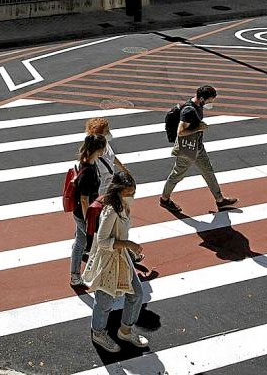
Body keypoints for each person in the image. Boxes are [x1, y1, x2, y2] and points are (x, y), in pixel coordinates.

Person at [83, 172, 148, 353]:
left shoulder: (123, 207)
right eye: (128, 193)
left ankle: (125, 330)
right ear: (118, 192)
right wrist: (128, 244)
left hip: (122, 257)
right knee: (104, 301)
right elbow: (103, 241)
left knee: (136, 294)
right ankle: (98, 333)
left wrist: (129, 251)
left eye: (133, 193)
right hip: (108, 260)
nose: (132, 197)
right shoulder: (110, 210)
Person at [160, 85, 237, 213]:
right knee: (177, 175)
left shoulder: (198, 106)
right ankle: (164, 199)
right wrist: (199, 128)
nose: (210, 104)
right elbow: (181, 132)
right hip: (188, 150)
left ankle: (220, 200)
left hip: (198, 147)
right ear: (201, 98)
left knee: (208, 171)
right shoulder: (189, 111)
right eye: (209, 101)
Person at [70, 134, 106, 287]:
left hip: (81, 212)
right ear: (98, 150)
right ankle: (81, 275)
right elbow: (84, 199)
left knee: (79, 243)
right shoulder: (89, 171)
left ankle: (75, 276)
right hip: (86, 214)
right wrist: (88, 221)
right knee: (93, 244)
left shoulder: (86, 163)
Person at [85, 118, 132, 194]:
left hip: (109, 184)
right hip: (100, 190)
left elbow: (112, 156)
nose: (109, 133)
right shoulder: (93, 154)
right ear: (99, 135)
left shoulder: (105, 143)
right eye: (106, 131)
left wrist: (123, 168)